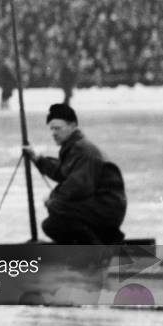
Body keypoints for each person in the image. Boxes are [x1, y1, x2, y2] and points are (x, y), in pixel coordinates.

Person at [23, 103, 126, 244]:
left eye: (58, 128)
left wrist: (53, 199)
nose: (54, 133)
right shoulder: (73, 148)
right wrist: (38, 159)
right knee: (57, 213)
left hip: (106, 206)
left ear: (72, 126)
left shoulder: (83, 150)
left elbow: (78, 186)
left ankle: (97, 252)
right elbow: (62, 171)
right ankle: (103, 241)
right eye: (51, 129)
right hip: (100, 206)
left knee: (53, 223)